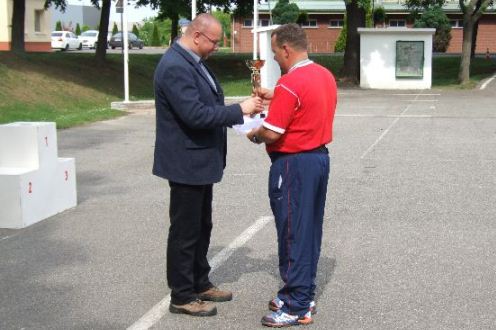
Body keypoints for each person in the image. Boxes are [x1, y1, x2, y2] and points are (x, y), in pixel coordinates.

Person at [153, 13, 263, 317]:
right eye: (214, 41)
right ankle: (182, 295)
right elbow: (195, 115)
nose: (217, 46)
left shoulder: (193, 62)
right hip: (186, 162)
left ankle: (200, 281)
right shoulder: (175, 66)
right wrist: (239, 110)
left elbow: (209, 106)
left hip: (200, 160)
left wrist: (239, 113)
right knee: (185, 231)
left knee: (202, 226)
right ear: (197, 35)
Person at [246, 23, 337, 327]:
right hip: (318, 158)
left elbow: (271, 132)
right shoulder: (324, 75)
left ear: (286, 49)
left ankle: (296, 304)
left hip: (293, 164)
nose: (274, 59)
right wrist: (276, 96)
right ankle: (302, 294)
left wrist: (253, 132)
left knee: (292, 232)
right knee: (309, 230)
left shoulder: (289, 83)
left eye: (275, 53)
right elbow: (304, 103)